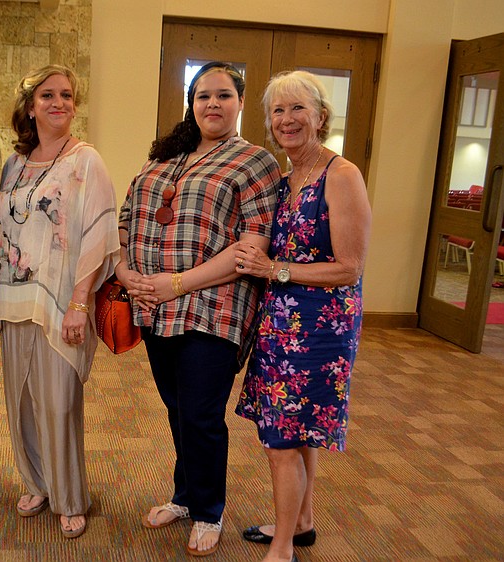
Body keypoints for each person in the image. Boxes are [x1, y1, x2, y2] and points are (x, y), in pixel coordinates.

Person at [117, 62, 281, 556]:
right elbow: (126, 219)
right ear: (191, 103)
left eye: (224, 95)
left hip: (214, 308)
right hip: (154, 306)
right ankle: (185, 496)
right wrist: (128, 275)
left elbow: (250, 247)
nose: (213, 104)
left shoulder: (256, 162)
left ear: (239, 104)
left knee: (203, 413)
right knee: (176, 407)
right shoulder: (167, 157)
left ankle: (210, 510)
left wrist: (175, 284)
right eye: (204, 95)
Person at [233, 70, 371, 562]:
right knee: (296, 430)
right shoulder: (286, 176)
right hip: (280, 322)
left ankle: (284, 547)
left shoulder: (342, 173)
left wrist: (275, 269)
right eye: (277, 111)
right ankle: (304, 521)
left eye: (298, 109)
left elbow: (349, 268)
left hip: (319, 328)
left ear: (319, 116)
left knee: (282, 440)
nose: (287, 120)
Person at [0, 64, 120, 539]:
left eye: (66, 95)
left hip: (62, 302)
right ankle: (36, 482)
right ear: (30, 106)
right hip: (14, 301)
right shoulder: (14, 163)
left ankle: (69, 495)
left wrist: (79, 303)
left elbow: (100, 234)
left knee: (59, 402)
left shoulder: (86, 161)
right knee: (21, 400)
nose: (59, 102)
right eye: (48, 95)